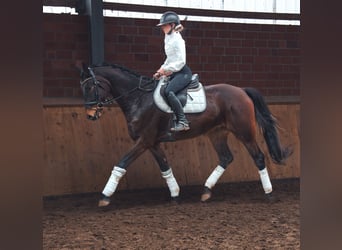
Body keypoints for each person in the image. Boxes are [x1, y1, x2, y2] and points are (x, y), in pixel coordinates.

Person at [153, 11, 192, 132]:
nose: (163, 28)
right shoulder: (168, 38)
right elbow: (170, 59)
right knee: (160, 89)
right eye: (162, 26)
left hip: (183, 72)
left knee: (169, 91)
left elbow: (180, 61)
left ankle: (182, 121)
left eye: (165, 25)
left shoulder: (178, 40)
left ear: (173, 25)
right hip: (173, 71)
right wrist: (160, 70)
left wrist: (166, 70)